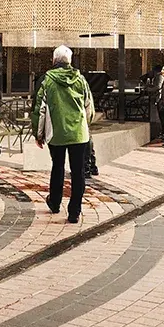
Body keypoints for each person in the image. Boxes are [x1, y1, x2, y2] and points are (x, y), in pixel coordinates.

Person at [31, 45, 95, 224]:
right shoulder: (81, 79)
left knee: (57, 166)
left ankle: (55, 202)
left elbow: (40, 109)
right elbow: (89, 106)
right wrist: (85, 125)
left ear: (53, 61)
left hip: (56, 133)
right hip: (79, 134)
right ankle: (74, 211)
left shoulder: (47, 81)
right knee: (78, 171)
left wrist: (39, 133)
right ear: (70, 61)